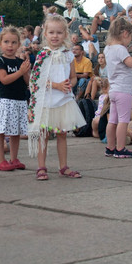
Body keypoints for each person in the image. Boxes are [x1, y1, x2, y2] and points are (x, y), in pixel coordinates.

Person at [27, 15, 85, 180]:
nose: (55, 36)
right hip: (47, 101)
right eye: (51, 32)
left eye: (59, 32)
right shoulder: (43, 55)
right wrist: (57, 85)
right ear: (45, 33)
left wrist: (70, 84)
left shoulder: (68, 55)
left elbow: (73, 77)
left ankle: (63, 166)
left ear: (65, 34)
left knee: (62, 134)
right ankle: (41, 166)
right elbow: (37, 80)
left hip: (63, 102)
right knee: (44, 134)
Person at [0, 26, 30, 171]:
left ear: (18, 44)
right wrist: (20, 72)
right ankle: (0, 160)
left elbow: (27, 82)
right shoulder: (0, 61)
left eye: (13, 42)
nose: (10, 46)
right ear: (0, 43)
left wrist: (26, 71)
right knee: (0, 131)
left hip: (19, 100)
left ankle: (14, 158)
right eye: (6, 42)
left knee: (15, 132)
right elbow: (4, 79)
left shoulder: (20, 62)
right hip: (6, 101)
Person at [103, 17, 132, 158]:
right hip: (123, 90)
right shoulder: (120, 49)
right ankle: (120, 148)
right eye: (130, 37)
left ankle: (110, 147)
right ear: (125, 33)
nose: (130, 40)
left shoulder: (108, 48)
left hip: (113, 90)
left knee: (112, 120)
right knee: (123, 121)